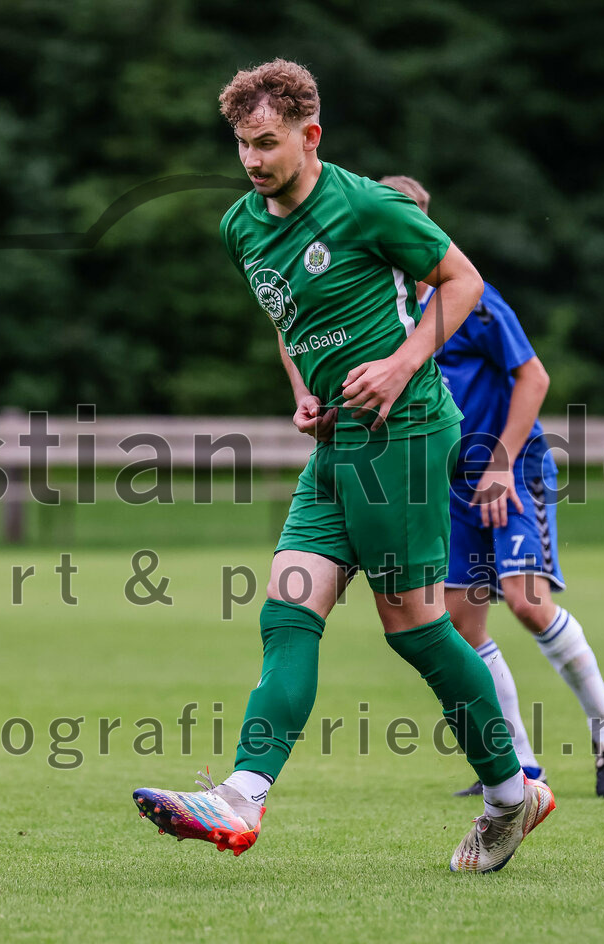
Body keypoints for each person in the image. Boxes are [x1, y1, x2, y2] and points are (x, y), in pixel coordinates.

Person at [132, 60, 555, 873]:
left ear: (309, 134)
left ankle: (511, 793)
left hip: (405, 435)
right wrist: (302, 392)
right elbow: (285, 321)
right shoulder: (240, 226)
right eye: (241, 145)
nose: (252, 161)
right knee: (287, 609)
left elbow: (462, 282)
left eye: (267, 143)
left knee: (415, 628)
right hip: (336, 448)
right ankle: (241, 797)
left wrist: (399, 366)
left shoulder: (366, 205)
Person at [380, 175, 604, 798]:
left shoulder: (472, 298)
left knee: (524, 601)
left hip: (512, 470)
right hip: (456, 483)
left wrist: (500, 462)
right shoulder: (391, 313)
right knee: (465, 628)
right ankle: (522, 766)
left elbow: (534, 378)